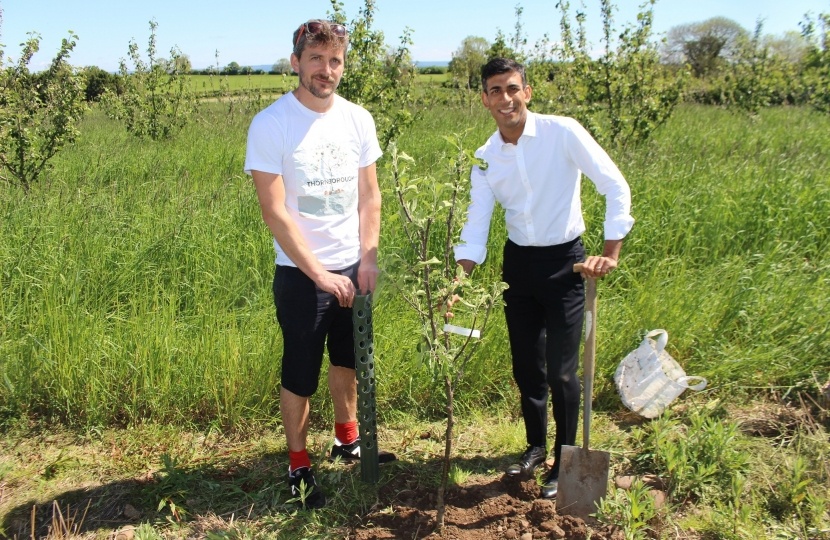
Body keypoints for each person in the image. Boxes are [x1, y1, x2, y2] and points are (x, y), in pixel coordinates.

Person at [453, 58, 634, 499]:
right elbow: (477, 225)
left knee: (562, 372)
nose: (505, 98)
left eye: (512, 88)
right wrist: (457, 282)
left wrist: (609, 253)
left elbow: (613, 184)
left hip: (566, 264)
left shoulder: (562, 132)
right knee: (526, 368)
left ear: (527, 92)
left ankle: (565, 457)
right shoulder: (484, 159)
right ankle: (535, 446)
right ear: (484, 99)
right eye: (495, 90)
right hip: (518, 267)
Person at [244, 19, 395, 510]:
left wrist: (366, 258)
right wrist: (319, 274)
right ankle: (298, 464)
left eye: (334, 61)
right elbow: (275, 210)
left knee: (349, 359)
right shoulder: (271, 124)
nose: (325, 70)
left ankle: (347, 440)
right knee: (301, 370)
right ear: (296, 63)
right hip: (300, 275)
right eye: (315, 59)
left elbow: (370, 196)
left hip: (353, 267)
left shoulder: (358, 120)